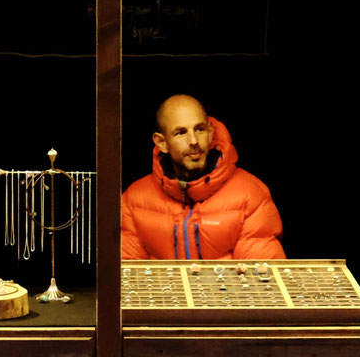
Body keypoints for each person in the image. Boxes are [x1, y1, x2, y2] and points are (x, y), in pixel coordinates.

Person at [121, 94, 285, 260]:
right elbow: (122, 277)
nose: (193, 141)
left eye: (199, 129)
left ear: (210, 132)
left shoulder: (251, 194)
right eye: (180, 133)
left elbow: (262, 278)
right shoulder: (134, 200)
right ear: (162, 142)